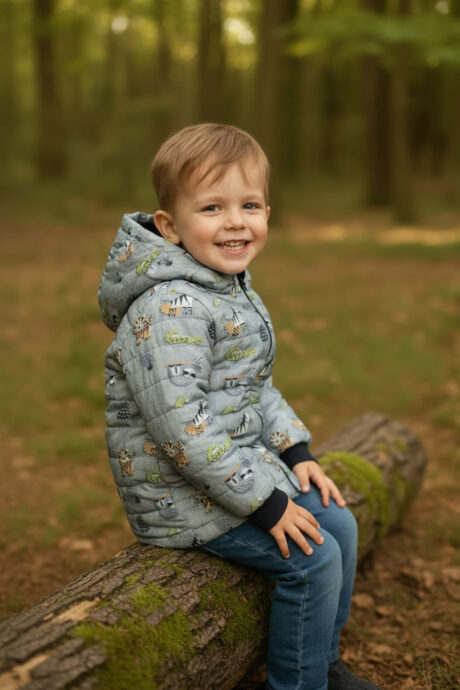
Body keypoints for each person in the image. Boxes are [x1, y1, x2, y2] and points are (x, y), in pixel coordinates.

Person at [98, 123, 380, 690]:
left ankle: (322, 660)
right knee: (314, 558)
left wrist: (296, 451)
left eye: (249, 205)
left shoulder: (224, 287)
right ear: (170, 227)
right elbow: (185, 431)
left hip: (232, 474)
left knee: (340, 525)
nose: (235, 221)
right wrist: (267, 505)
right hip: (179, 495)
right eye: (212, 207)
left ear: (268, 213)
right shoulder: (170, 309)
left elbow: (251, 387)